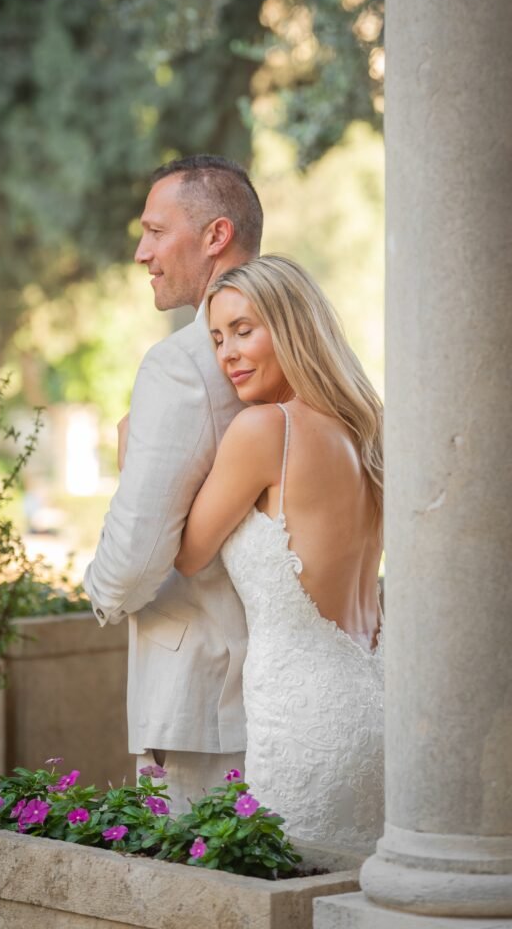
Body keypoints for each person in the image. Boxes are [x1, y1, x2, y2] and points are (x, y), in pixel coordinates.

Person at [175, 255, 385, 851]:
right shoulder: (365, 431)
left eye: (244, 330)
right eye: (218, 338)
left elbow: (188, 554)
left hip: (307, 728)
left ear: (293, 327)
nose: (228, 354)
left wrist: (131, 448)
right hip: (378, 704)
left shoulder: (266, 430)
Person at [84, 155, 263, 812]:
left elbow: (134, 561)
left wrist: (98, 591)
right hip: (280, 684)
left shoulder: (181, 364)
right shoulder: (298, 343)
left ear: (215, 235)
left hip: (201, 694)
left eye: (156, 232)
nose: (142, 253)